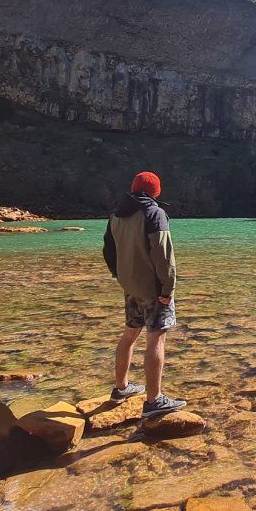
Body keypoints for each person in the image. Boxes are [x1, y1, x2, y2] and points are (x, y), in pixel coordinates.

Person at [102, 171, 186, 418]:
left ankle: (121, 388)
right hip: (153, 290)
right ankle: (154, 401)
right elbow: (164, 257)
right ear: (155, 192)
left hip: (130, 288)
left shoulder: (116, 215)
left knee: (129, 334)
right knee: (156, 338)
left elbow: (108, 251)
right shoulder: (154, 213)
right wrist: (168, 290)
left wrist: (120, 276)